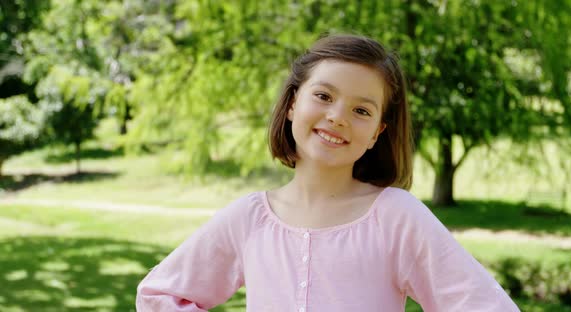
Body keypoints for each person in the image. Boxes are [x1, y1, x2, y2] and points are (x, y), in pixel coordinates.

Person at [136, 34, 519, 312]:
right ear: (291, 104)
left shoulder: (396, 217)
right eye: (323, 96)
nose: (337, 117)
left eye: (362, 110)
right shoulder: (249, 219)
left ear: (376, 134)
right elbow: (159, 295)